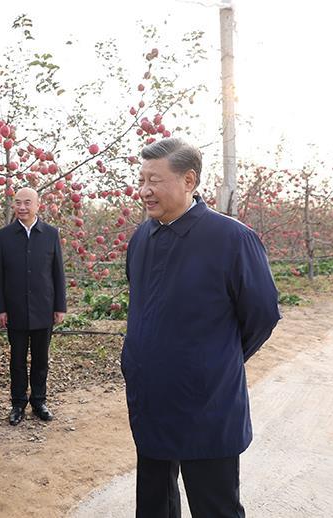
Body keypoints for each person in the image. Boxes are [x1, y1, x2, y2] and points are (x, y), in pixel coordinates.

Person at [123, 138, 281, 517]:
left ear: (189, 180)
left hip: (206, 402)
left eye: (155, 180)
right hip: (151, 397)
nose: (144, 190)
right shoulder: (141, 238)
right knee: (154, 503)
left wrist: (215, 360)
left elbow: (262, 315)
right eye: (141, 180)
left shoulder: (232, 239)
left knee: (214, 506)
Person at [0, 187, 66, 425]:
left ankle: (39, 401)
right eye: (18, 203)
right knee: (17, 360)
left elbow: (58, 273)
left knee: (41, 359)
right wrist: (0, 308)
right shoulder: (4, 236)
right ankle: (18, 403)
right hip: (15, 309)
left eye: (27, 203)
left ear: (37, 205)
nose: (22, 207)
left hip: (44, 307)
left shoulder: (50, 234)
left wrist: (60, 306)